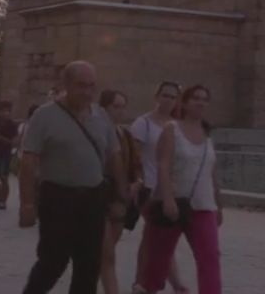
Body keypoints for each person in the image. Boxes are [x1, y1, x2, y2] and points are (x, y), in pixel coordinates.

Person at [19, 61, 127, 294]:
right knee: (52, 262)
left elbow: (114, 157)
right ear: (65, 84)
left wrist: (121, 196)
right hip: (58, 197)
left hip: (93, 198)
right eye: (81, 86)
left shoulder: (101, 117)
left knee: (89, 266)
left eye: (91, 86)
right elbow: (28, 161)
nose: (87, 92)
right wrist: (27, 203)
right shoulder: (44, 116)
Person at [142, 85, 222, 294]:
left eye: (204, 99)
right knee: (159, 258)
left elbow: (210, 172)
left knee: (210, 257)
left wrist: (218, 205)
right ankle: (147, 288)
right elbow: (164, 165)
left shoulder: (207, 133)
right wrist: (167, 199)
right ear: (184, 102)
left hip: (204, 206)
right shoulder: (172, 129)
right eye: (195, 98)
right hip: (174, 204)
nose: (200, 102)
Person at [131, 81, 188, 294]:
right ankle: (168, 284)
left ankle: (148, 283)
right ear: (156, 96)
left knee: (159, 237)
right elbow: (135, 157)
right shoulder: (142, 124)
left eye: (173, 97)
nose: (168, 100)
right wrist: (137, 180)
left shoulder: (177, 125)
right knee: (157, 236)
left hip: (172, 191)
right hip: (149, 189)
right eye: (165, 95)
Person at [99, 90, 143, 294]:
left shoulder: (124, 134)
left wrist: (137, 182)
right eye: (115, 106)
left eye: (122, 106)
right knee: (107, 255)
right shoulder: (96, 132)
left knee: (105, 253)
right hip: (99, 198)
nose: (119, 111)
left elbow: (136, 165)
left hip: (120, 200)